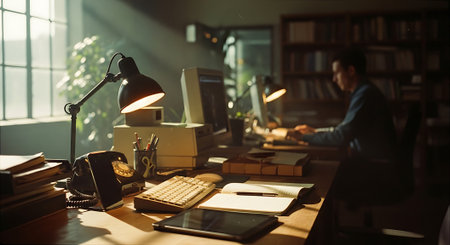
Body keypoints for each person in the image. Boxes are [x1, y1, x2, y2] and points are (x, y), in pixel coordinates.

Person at [287, 47, 397, 161]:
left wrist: (303, 137)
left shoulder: (365, 95)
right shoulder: (364, 91)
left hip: (372, 164)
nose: (334, 79)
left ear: (351, 71)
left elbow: (341, 137)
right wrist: (315, 131)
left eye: (336, 73)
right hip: (370, 159)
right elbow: (344, 130)